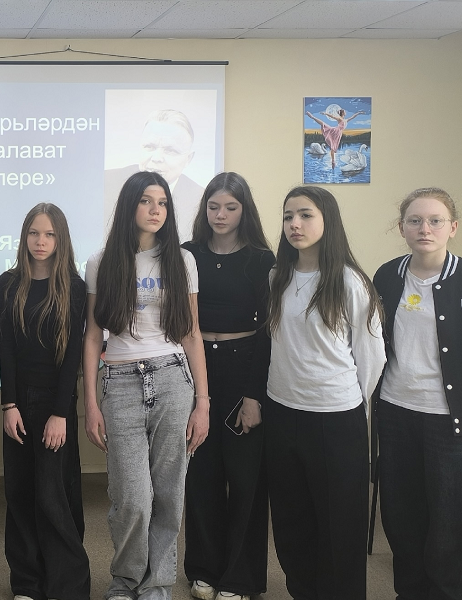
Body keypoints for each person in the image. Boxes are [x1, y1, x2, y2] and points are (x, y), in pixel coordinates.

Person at [373, 188, 462, 600]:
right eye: (415, 220)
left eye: (435, 220)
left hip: (455, 422)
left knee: (452, 523)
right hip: (397, 413)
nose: (425, 228)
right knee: (403, 517)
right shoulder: (387, 276)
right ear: (401, 228)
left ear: (452, 227)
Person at [82, 170, 210, 600]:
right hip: (120, 382)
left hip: (173, 377)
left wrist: (203, 403)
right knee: (132, 496)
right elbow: (93, 337)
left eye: (163, 203)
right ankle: (125, 580)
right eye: (146, 201)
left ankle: (157, 584)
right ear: (129, 205)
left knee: (169, 492)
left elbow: (191, 333)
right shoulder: (101, 261)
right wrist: (91, 404)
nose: (156, 210)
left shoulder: (182, 261)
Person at [264, 186, 385, 600]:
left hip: (335, 419)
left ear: (327, 220)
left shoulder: (350, 281)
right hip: (282, 411)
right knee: (292, 522)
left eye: (305, 215)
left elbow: (372, 357)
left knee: (339, 528)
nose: (294, 224)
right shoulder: (277, 277)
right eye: (288, 217)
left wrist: (347, 402)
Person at [180, 173, 273, 600]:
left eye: (230, 208)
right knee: (201, 474)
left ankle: (240, 578)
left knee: (245, 479)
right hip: (195, 369)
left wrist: (255, 395)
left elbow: (269, 332)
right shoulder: (187, 254)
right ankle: (204, 569)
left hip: (244, 367)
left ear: (243, 211)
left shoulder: (261, 259)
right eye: (213, 207)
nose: (220, 215)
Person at [0, 203, 90, 600]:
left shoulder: (75, 287)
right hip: (18, 404)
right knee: (19, 494)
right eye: (34, 233)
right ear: (24, 237)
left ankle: (68, 587)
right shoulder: (8, 283)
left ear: (60, 239)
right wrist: (9, 405)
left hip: (55, 405)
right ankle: (27, 584)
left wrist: (60, 412)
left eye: (49, 234)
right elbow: (7, 350)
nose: (41, 241)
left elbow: (72, 357)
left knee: (54, 497)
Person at [104, 109, 204, 241]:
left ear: (188, 159)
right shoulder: (106, 181)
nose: (157, 158)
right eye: (149, 147)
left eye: (170, 150)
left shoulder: (201, 197)